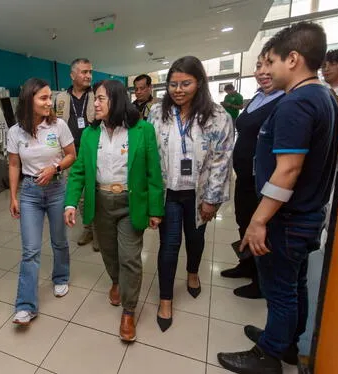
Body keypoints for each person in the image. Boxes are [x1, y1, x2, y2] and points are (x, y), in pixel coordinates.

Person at [218, 22, 338, 374]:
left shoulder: (297, 104)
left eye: (269, 61)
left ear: (292, 59)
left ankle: (268, 355)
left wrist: (259, 220)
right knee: (294, 284)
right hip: (305, 215)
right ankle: (286, 342)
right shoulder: (324, 98)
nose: (266, 70)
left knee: (281, 290)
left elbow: (287, 170)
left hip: (287, 219)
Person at [64, 80, 164, 342]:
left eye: (99, 99)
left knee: (130, 256)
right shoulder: (90, 134)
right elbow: (78, 172)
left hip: (131, 203)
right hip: (100, 202)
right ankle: (116, 282)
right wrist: (71, 202)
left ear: (116, 100)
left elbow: (154, 172)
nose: (94, 104)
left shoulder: (143, 130)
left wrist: (156, 209)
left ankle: (129, 311)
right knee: (108, 252)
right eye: (94, 99)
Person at [148, 56, 234, 332]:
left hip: (198, 195)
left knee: (196, 239)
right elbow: (149, 155)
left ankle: (193, 273)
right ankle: (165, 299)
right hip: (169, 194)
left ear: (199, 83)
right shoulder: (156, 113)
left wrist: (212, 199)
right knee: (169, 246)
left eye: (186, 83)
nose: (178, 89)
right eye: (173, 84)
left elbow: (222, 161)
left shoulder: (218, 117)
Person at [7, 78, 76, 325]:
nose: (50, 103)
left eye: (50, 98)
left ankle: (61, 277)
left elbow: (72, 156)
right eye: (44, 98)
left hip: (57, 188)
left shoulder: (59, 126)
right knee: (30, 250)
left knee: (59, 241)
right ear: (29, 100)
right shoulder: (15, 131)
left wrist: (54, 167)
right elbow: (14, 164)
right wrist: (13, 196)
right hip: (29, 193)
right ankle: (26, 305)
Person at [220, 54, 285, 299]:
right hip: (245, 176)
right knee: (243, 220)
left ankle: (261, 280)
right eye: (258, 66)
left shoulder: (285, 100)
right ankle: (246, 265)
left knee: (261, 229)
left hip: (264, 181)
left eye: (269, 65)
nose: (262, 71)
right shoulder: (258, 97)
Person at [54, 58, 99, 250]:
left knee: (97, 191)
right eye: (83, 72)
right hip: (71, 153)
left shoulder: (97, 95)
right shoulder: (61, 98)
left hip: (95, 152)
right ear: (73, 75)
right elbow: (55, 124)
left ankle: (99, 231)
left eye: (90, 72)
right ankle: (88, 227)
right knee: (79, 195)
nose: (88, 75)